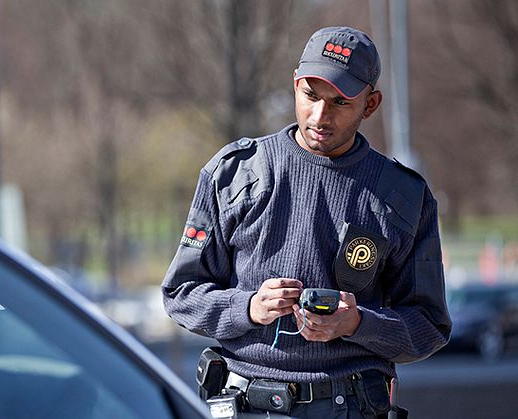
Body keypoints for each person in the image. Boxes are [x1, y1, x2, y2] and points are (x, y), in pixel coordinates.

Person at [162, 26, 451, 419]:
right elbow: (180, 293)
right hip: (243, 403)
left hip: (351, 406)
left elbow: (429, 326)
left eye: (340, 102)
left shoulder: (403, 195)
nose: (320, 115)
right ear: (295, 85)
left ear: (371, 104)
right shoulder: (234, 174)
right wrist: (247, 307)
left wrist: (357, 323)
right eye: (310, 96)